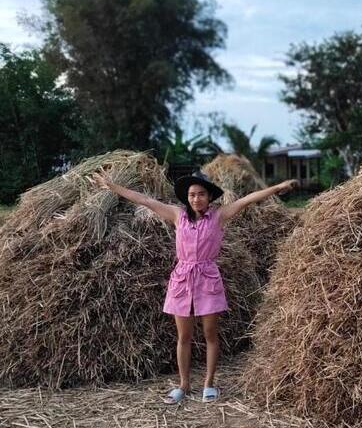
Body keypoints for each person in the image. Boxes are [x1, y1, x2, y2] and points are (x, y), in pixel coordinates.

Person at [92, 168, 296, 404]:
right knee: (184, 336)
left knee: (210, 334)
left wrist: (278, 188)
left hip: (208, 279)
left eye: (201, 194)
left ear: (209, 196)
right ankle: (184, 384)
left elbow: (247, 200)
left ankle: (209, 384)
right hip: (182, 280)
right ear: (186, 198)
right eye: (192, 195)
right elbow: (145, 200)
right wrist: (112, 187)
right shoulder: (177, 215)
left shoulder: (219, 216)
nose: (196, 199)